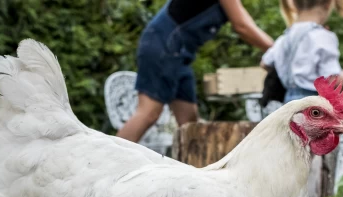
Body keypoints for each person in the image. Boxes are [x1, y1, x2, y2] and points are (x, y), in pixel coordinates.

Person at [116, 0, 274, 143]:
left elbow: (244, 21)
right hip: (163, 46)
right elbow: (242, 25)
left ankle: (191, 172)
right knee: (148, 113)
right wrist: (278, 50)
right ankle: (106, 164)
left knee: (190, 124)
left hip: (180, 53)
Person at [261, 0, 343, 103]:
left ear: (294, 4)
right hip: (312, 105)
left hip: (287, 103)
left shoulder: (285, 37)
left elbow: (265, 63)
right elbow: (331, 82)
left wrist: (286, 72)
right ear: (328, 4)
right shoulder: (322, 36)